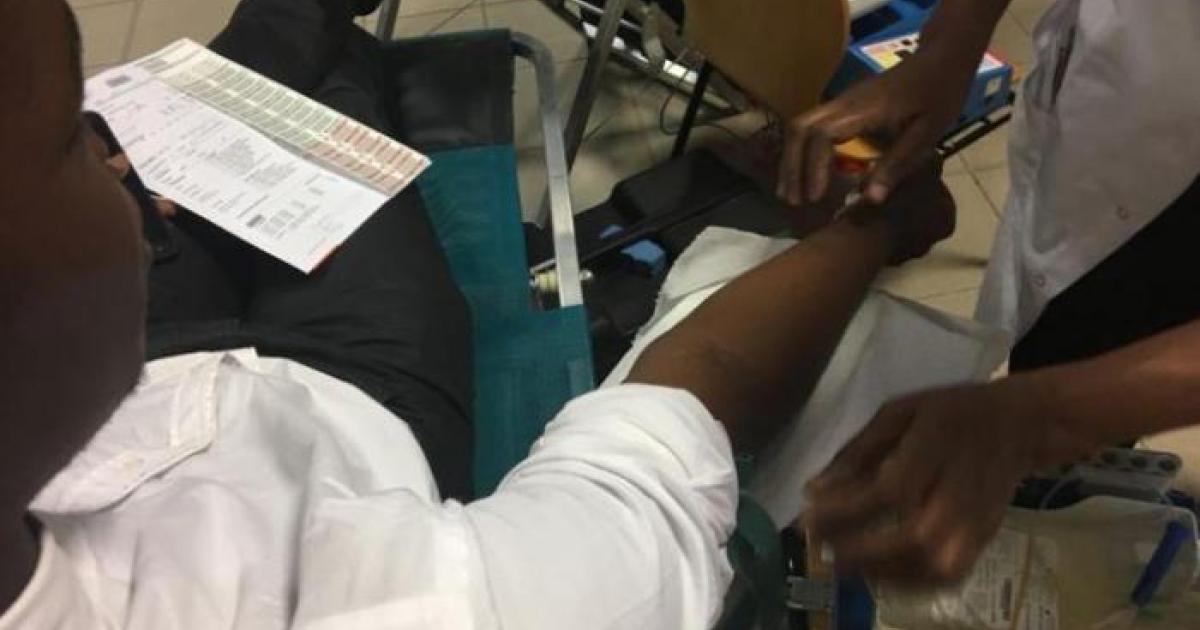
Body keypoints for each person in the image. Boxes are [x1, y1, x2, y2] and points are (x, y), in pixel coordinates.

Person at [0, 0, 954, 626]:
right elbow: (681, 413)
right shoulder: (396, 604)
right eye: (72, 144)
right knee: (334, 91)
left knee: (257, 63)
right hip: (347, 387)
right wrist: (882, 225)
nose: (119, 166)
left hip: (145, 354)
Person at [780, 0, 1200, 585]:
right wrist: (953, 40)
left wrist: (1044, 415)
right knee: (1058, 344)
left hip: (1171, 211)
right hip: (1111, 108)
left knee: (1083, 376)